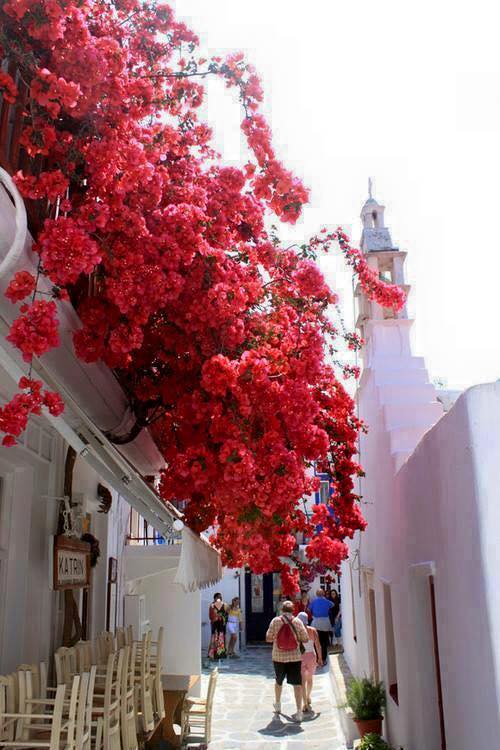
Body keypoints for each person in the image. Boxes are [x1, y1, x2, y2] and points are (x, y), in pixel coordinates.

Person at [266, 599, 309, 723]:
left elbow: (268, 638)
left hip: (278, 657)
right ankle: (299, 712)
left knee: (278, 681)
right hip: (295, 657)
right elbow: (305, 638)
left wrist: (275, 637)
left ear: (282, 610)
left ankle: (278, 705)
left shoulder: (275, 621)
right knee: (297, 684)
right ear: (293, 610)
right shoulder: (297, 622)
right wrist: (297, 639)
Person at [297, 611, 322, 713]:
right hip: (311, 656)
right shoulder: (313, 630)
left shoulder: (297, 631)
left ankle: (305, 703)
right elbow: (318, 646)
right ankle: (308, 697)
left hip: (300, 657)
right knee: (310, 679)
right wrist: (320, 658)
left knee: (302, 681)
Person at [309, 588, 333, 664]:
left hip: (316, 622)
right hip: (325, 622)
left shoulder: (314, 601)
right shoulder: (326, 601)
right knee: (324, 641)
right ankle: (323, 659)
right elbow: (332, 605)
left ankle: (317, 658)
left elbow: (309, 608)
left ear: (316, 594)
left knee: (316, 641)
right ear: (323, 594)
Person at [208, 593, 228, 660]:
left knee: (221, 639)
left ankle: (221, 654)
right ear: (215, 598)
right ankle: (212, 655)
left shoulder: (224, 605)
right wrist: (216, 617)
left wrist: (222, 617)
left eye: (220, 597)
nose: (220, 598)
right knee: (214, 639)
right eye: (218, 597)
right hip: (215, 625)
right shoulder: (212, 605)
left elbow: (226, 614)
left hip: (222, 624)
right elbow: (211, 616)